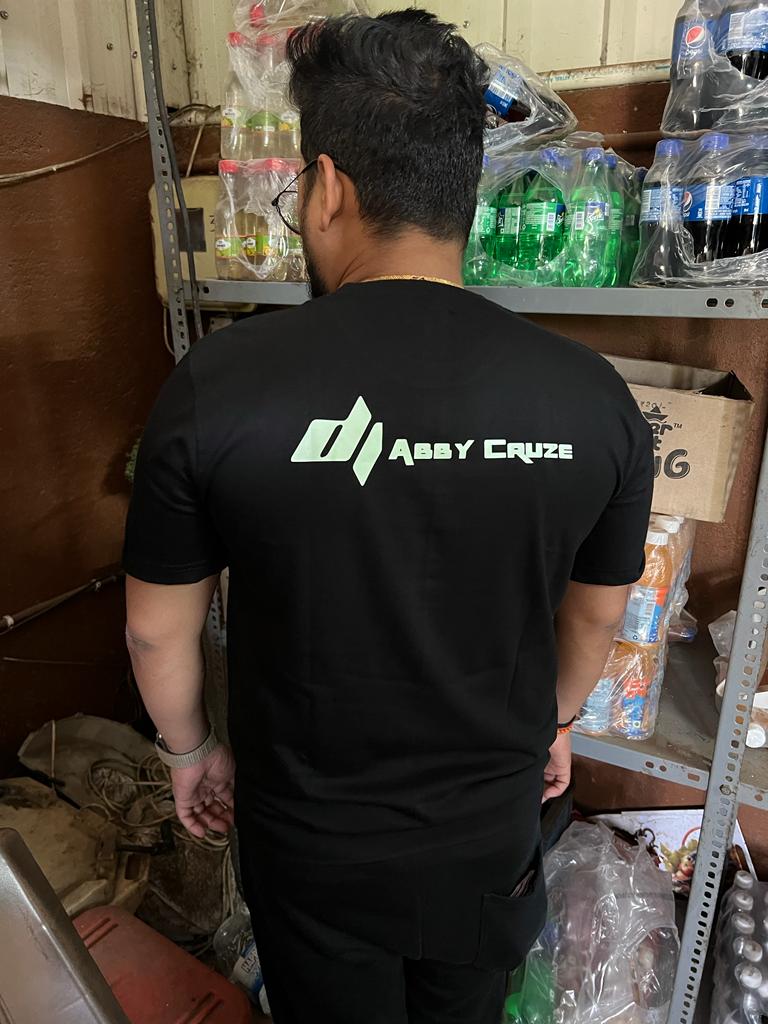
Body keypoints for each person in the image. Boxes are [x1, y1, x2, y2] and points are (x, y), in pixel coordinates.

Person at [123, 10, 654, 1024]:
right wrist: (555, 721)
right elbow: (596, 614)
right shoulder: (592, 397)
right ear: (464, 191)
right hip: (486, 829)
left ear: (325, 187)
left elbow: (155, 627)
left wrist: (190, 752)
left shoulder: (219, 385)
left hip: (310, 842)